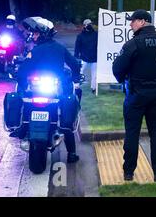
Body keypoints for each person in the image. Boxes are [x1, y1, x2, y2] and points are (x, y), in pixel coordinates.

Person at [112, 9, 156, 182]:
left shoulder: (132, 44)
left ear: (142, 21)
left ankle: (128, 172)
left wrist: (124, 79)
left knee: (132, 132)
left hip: (136, 94)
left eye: (133, 21)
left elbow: (117, 68)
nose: (130, 24)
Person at [17, 17, 82, 163]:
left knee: (64, 110)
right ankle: (71, 153)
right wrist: (76, 78)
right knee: (64, 115)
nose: (33, 36)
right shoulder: (60, 48)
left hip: (40, 88)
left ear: (43, 33)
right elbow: (74, 65)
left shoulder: (35, 51)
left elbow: (22, 71)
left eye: (35, 33)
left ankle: (22, 128)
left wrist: (20, 80)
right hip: (53, 88)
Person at [75, 19, 98, 93]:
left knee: (94, 75)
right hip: (84, 58)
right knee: (79, 71)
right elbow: (77, 47)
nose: (90, 25)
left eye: (90, 24)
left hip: (95, 58)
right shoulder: (80, 36)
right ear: (84, 26)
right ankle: (76, 86)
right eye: (88, 24)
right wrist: (76, 56)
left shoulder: (96, 34)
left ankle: (93, 88)